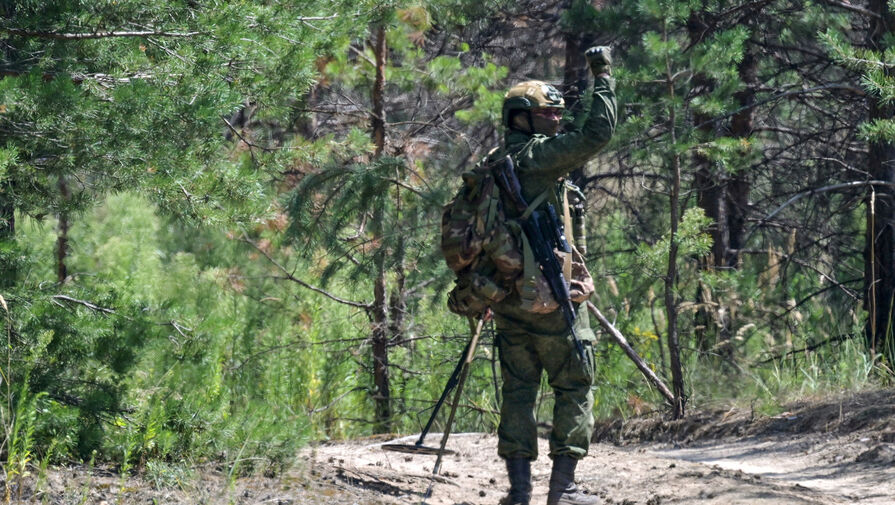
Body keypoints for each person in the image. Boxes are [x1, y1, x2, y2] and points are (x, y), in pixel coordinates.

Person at [491, 47, 617, 505]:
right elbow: (598, 132)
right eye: (549, 113)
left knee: (519, 390)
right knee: (574, 383)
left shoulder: (492, 163)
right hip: (549, 298)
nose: (558, 120)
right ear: (523, 119)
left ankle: (519, 494)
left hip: (505, 298)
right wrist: (602, 76)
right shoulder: (538, 159)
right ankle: (562, 492)